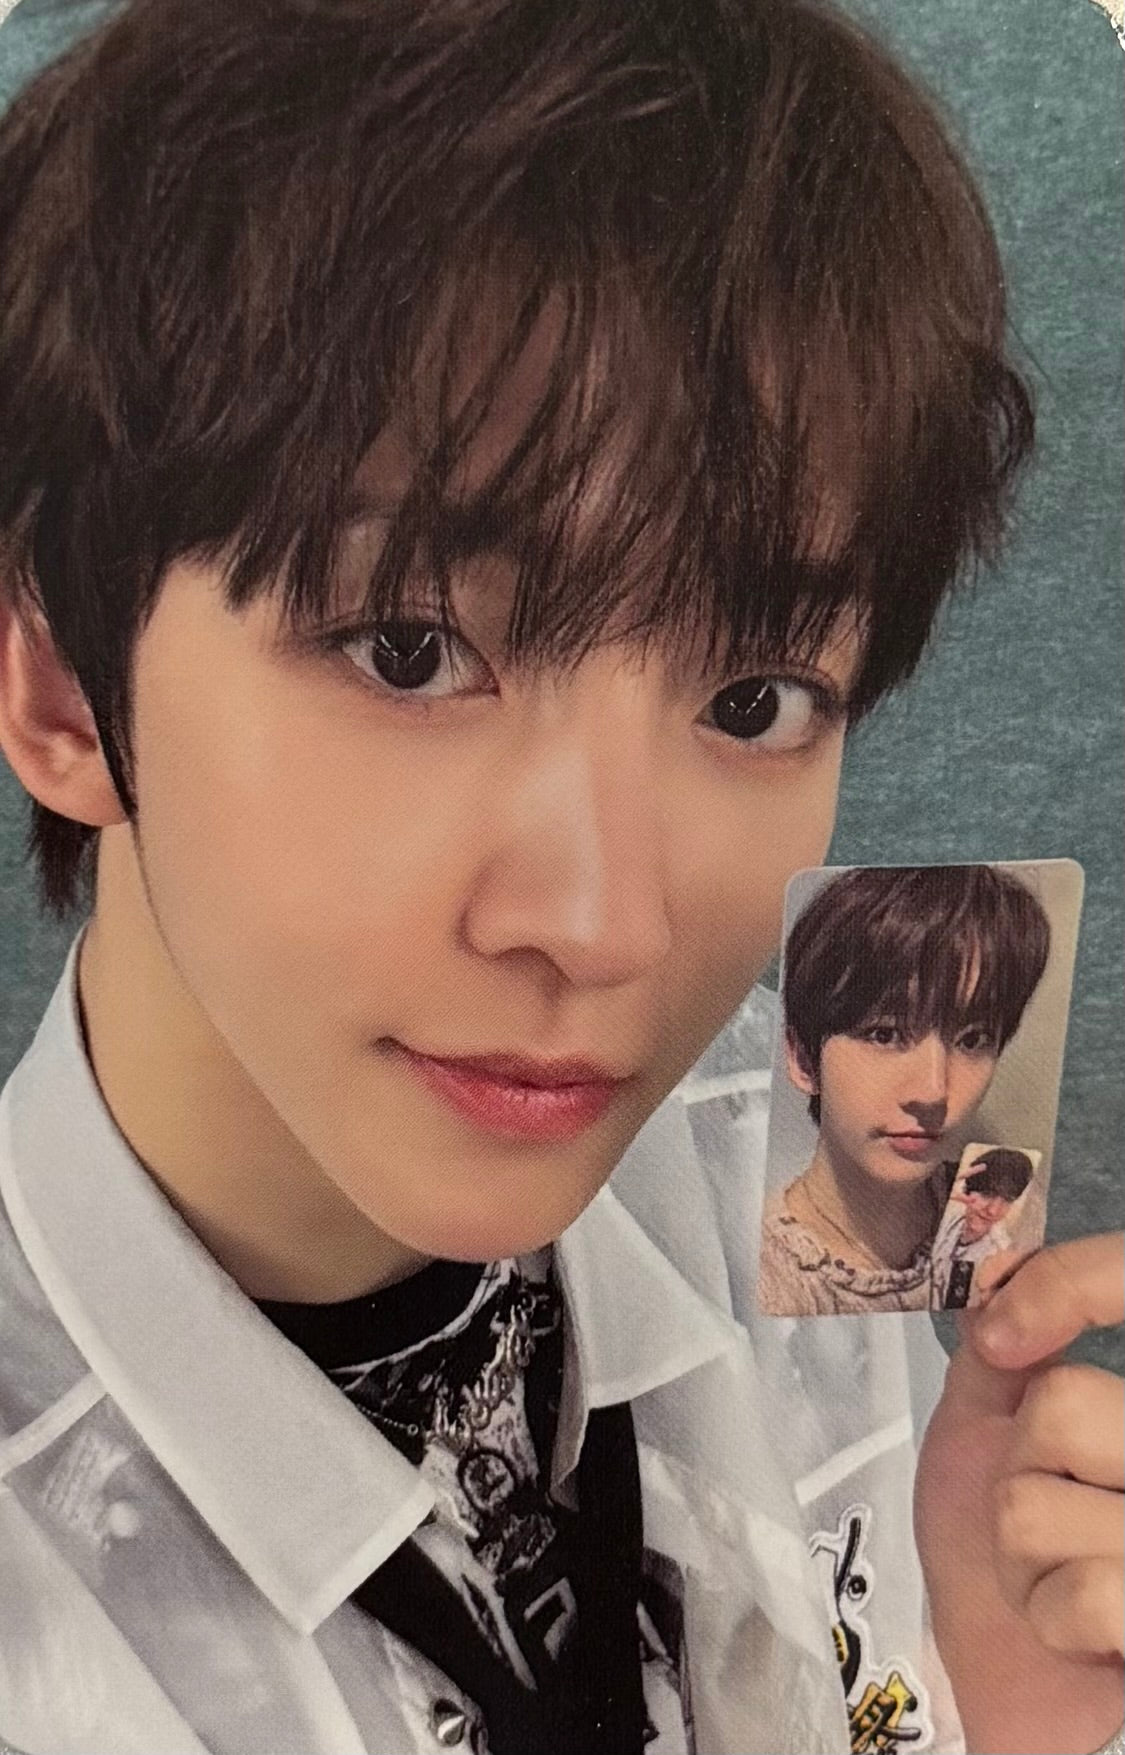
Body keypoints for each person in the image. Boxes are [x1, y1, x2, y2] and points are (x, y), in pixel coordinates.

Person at [0, 1, 1121, 1752]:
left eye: (754, 699)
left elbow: (905, 1668)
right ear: (69, 690)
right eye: (406, 649)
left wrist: (1009, 1713)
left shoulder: (820, 1139)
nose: (607, 929)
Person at [758, 863, 1050, 1317]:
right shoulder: (761, 1274)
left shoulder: (1014, 1218)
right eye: (884, 1034)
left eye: (972, 1039)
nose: (934, 1092)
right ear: (803, 1058)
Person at [928, 1147, 1035, 1311]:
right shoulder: (945, 1220)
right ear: (967, 1190)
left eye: (1007, 1200)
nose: (993, 1211)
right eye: (987, 1194)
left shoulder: (999, 1255)